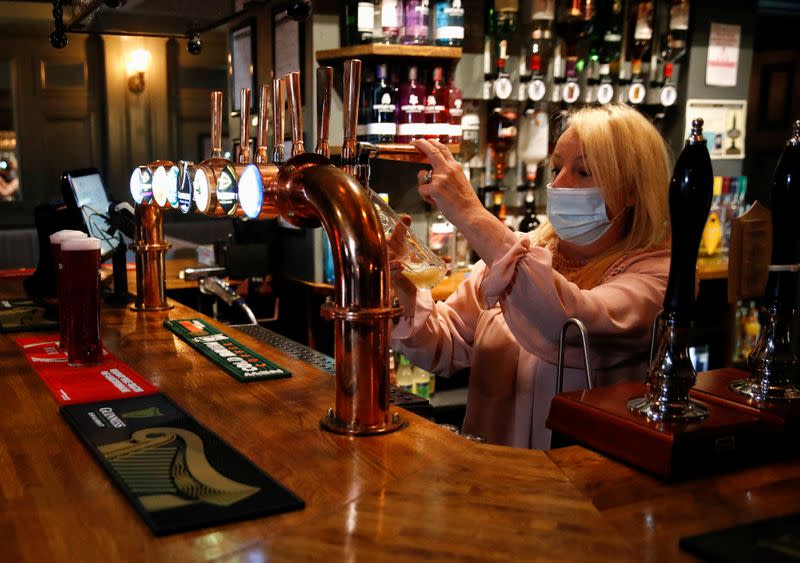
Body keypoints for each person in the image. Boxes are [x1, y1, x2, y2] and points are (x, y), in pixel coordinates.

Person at [390, 103, 672, 449]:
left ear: (632, 189)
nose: (559, 184)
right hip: (491, 476)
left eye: (584, 172)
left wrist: (471, 213)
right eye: (556, 168)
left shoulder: (657, 275)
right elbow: (446, 344)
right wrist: (401, 286)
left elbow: (565, 321)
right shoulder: (526, 250)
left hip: (578, 487)